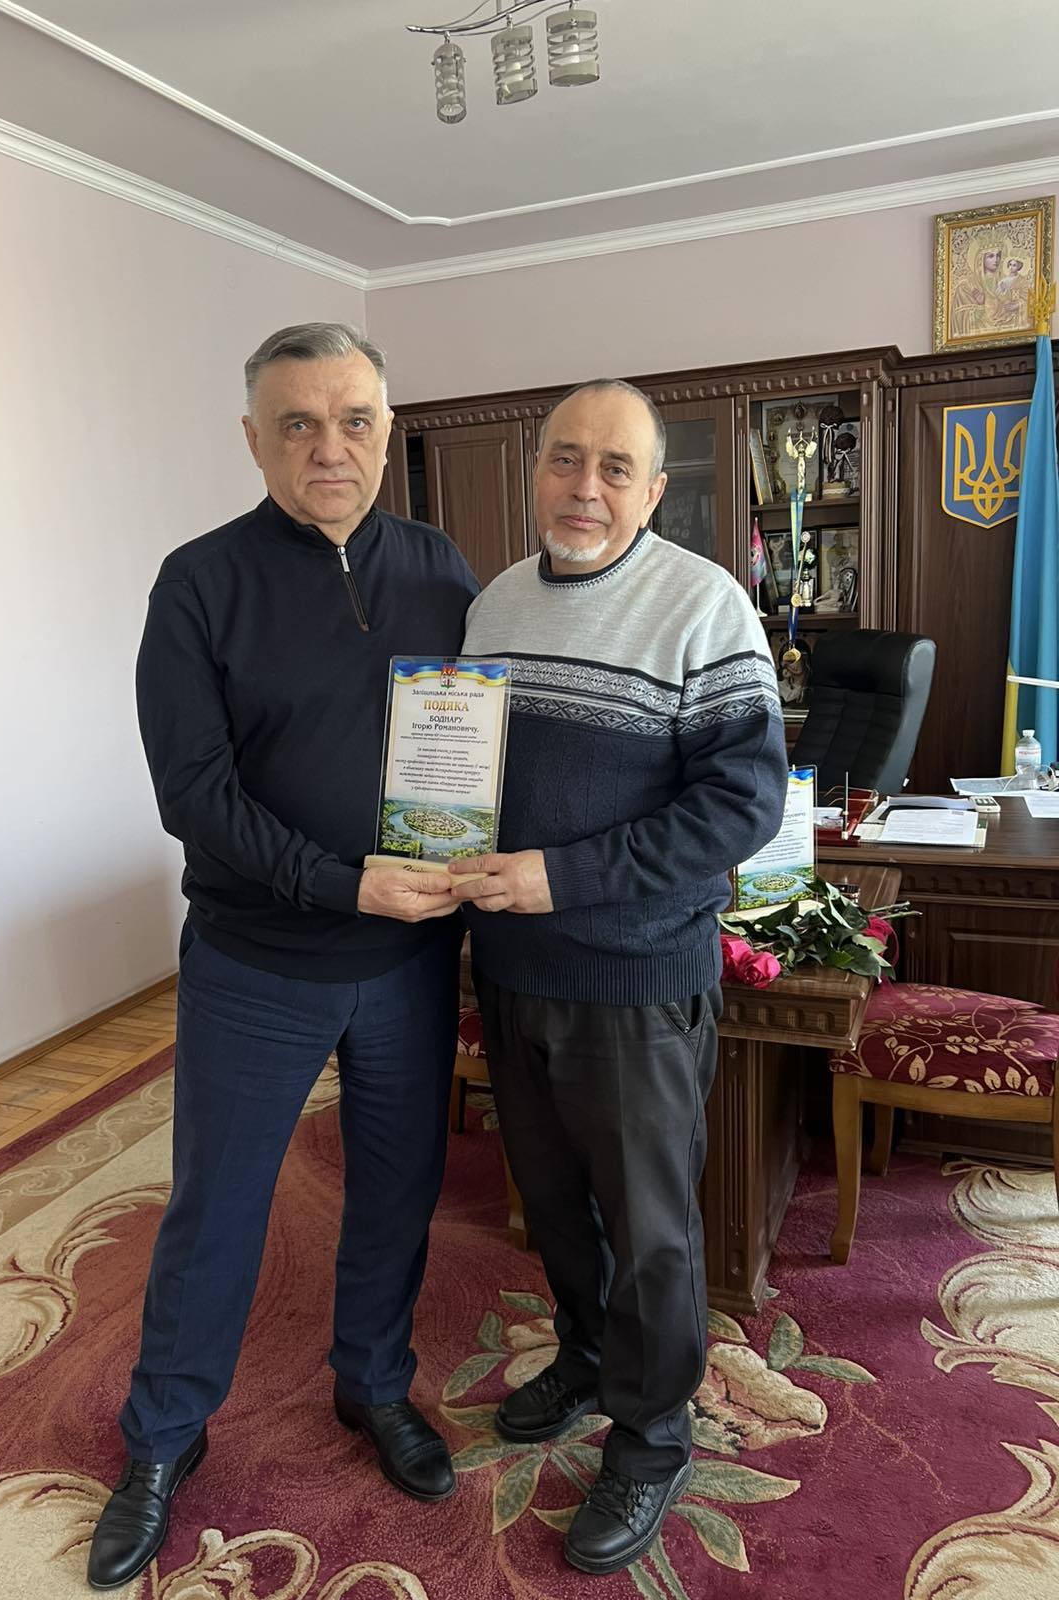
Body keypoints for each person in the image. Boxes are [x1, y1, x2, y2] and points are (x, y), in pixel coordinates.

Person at [87, 324, 478, 1591]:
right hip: (256, 958)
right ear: (253, 439)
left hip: (410, 959)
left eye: (355, 419)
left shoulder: (441, 568)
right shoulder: (198, 583)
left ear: (388, 430)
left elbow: (467, 749)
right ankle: (164, 1434)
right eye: (298, 423)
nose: (330, 447)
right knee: (218, 1203)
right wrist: (338, 880)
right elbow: (194, 795)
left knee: (396, 1186)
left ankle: (374, 1384)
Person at [451, 379, 786, 1577]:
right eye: (564, 459)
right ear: (536, 470)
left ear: (654, 490)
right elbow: (465, 777)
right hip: (513, 968)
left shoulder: (704, 605)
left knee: (650, 1228)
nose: (583, 488)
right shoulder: (492, 605)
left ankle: (652, 1433)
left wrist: (563, 876)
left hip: (639, 977)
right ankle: (590, 1357)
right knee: (551, 1199)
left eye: (614, 467)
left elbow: (742, 804)